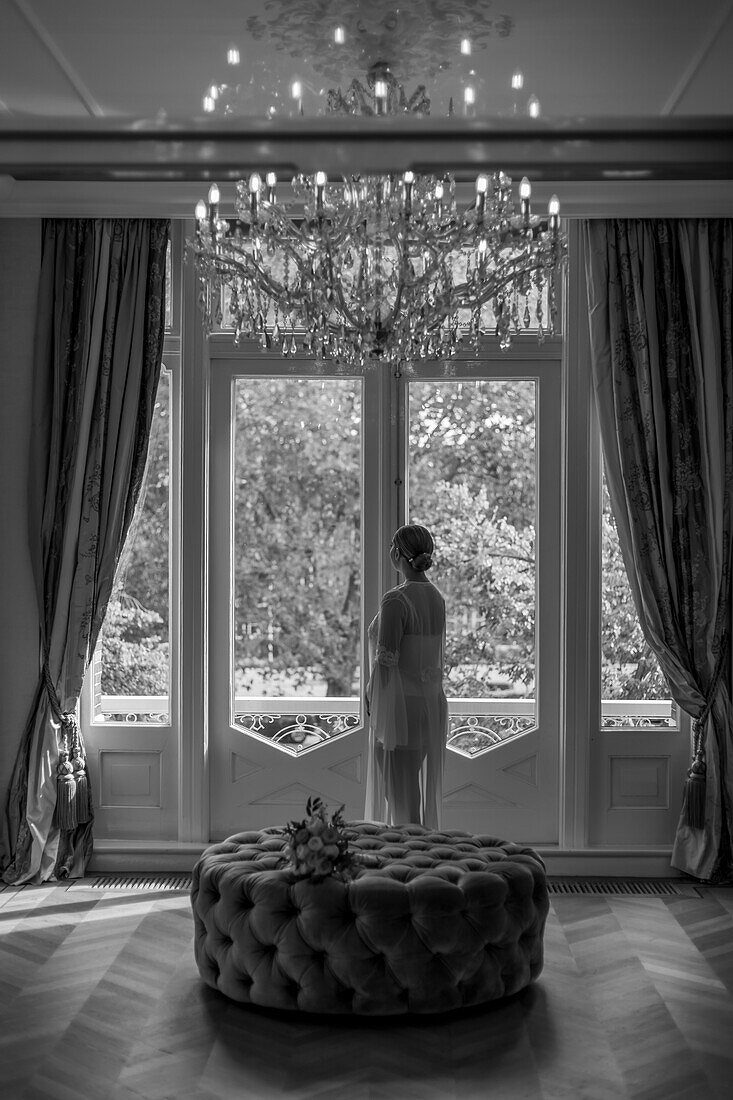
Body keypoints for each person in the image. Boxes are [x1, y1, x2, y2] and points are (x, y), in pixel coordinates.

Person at [364, 523, 448, 828]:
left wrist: (371, 696)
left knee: (398, 791)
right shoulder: (436, 598)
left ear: (397, 552)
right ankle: (418, 850)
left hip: (401, 706)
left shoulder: (396, 600)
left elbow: (386, 660)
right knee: (408, 785)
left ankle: (410, 850)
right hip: (429, 705)